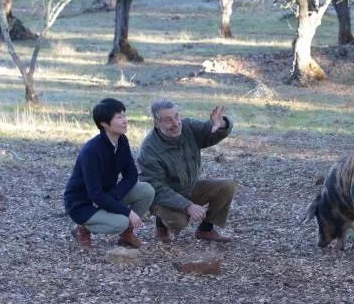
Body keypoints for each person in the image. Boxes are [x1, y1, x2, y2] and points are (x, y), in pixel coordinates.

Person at [138, 100, 236, 243]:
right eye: (168, 120)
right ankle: (160, 225)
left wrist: (222, 125)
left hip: (190, 188)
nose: (176, 123)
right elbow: (156, 188)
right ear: (157, 124)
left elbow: (208, 132)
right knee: (179, 222)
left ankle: (206, 230)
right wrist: (188, 206)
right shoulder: (149, 149)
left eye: (177, 116)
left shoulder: (188, 126)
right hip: (163, 198)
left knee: (227, 186)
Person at [64, 98, 154, 248]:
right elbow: (94, 194)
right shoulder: (91, 151)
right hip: (82, 204)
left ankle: (127, 235)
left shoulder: (122, 141)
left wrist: (113, 196)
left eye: (124, 116)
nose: (125, 120)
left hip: (105, 196)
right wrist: (127, 212)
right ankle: (83, 228)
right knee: (122, 221)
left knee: (146, 190)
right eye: (119, 117)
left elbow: (131, 175)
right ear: (104, 124)